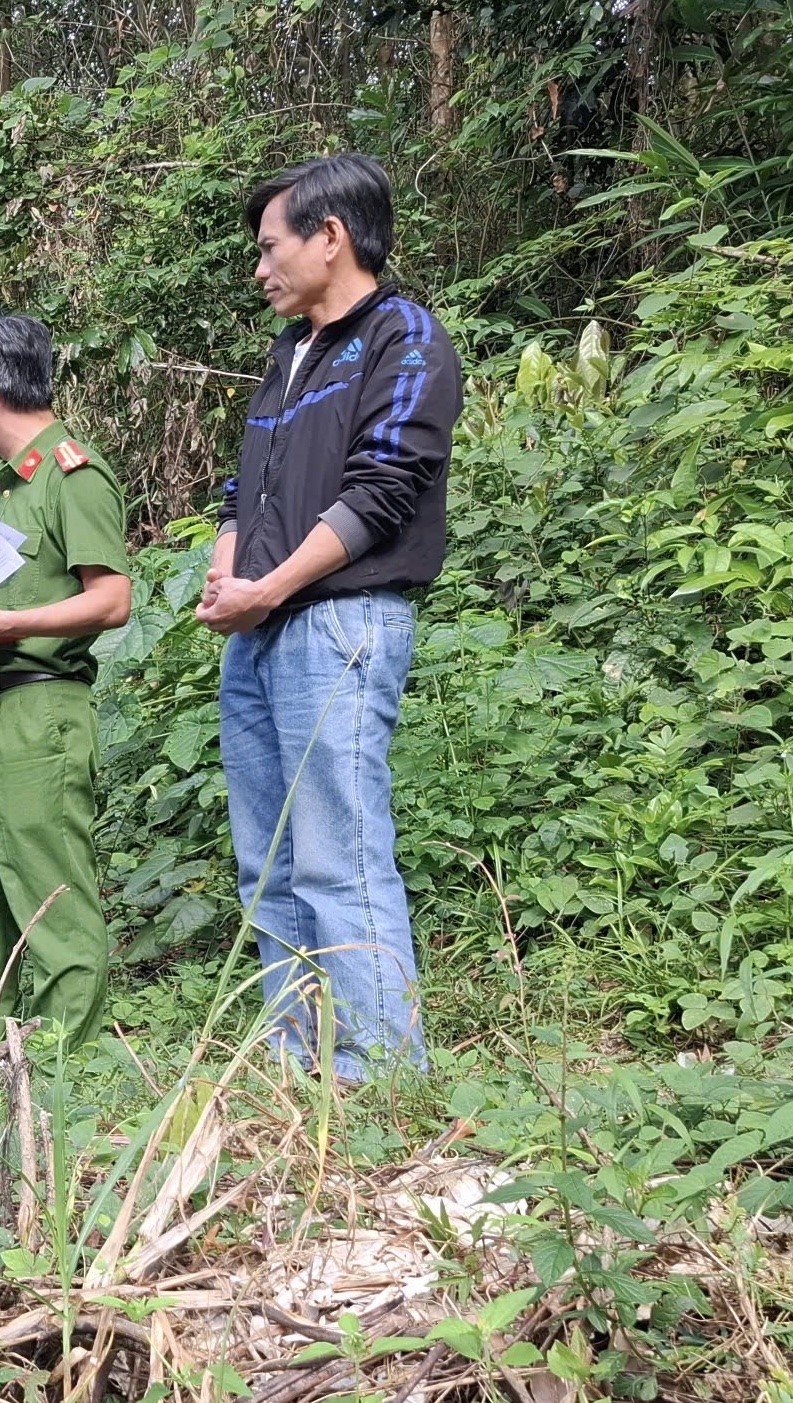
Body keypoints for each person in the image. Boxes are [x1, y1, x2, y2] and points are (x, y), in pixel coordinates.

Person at [196, 153, 459, 1080]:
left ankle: (378, 1076)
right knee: (266, 864)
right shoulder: (287, 353)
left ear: (330, 237)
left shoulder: (403, 338)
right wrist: (228, 570)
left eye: (270, 247)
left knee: (337, 854)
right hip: (258, 634)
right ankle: (298, 1059)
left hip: (338, 627)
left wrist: (271, 588)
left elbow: (385, 487)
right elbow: (245, 487)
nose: (258, 268)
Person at [0, 316, 131, 1043]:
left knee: (47, 881)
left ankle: (62, 1054)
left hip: (38, 705)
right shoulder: (2, 492)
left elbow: (110, 599)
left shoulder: (70, 474)